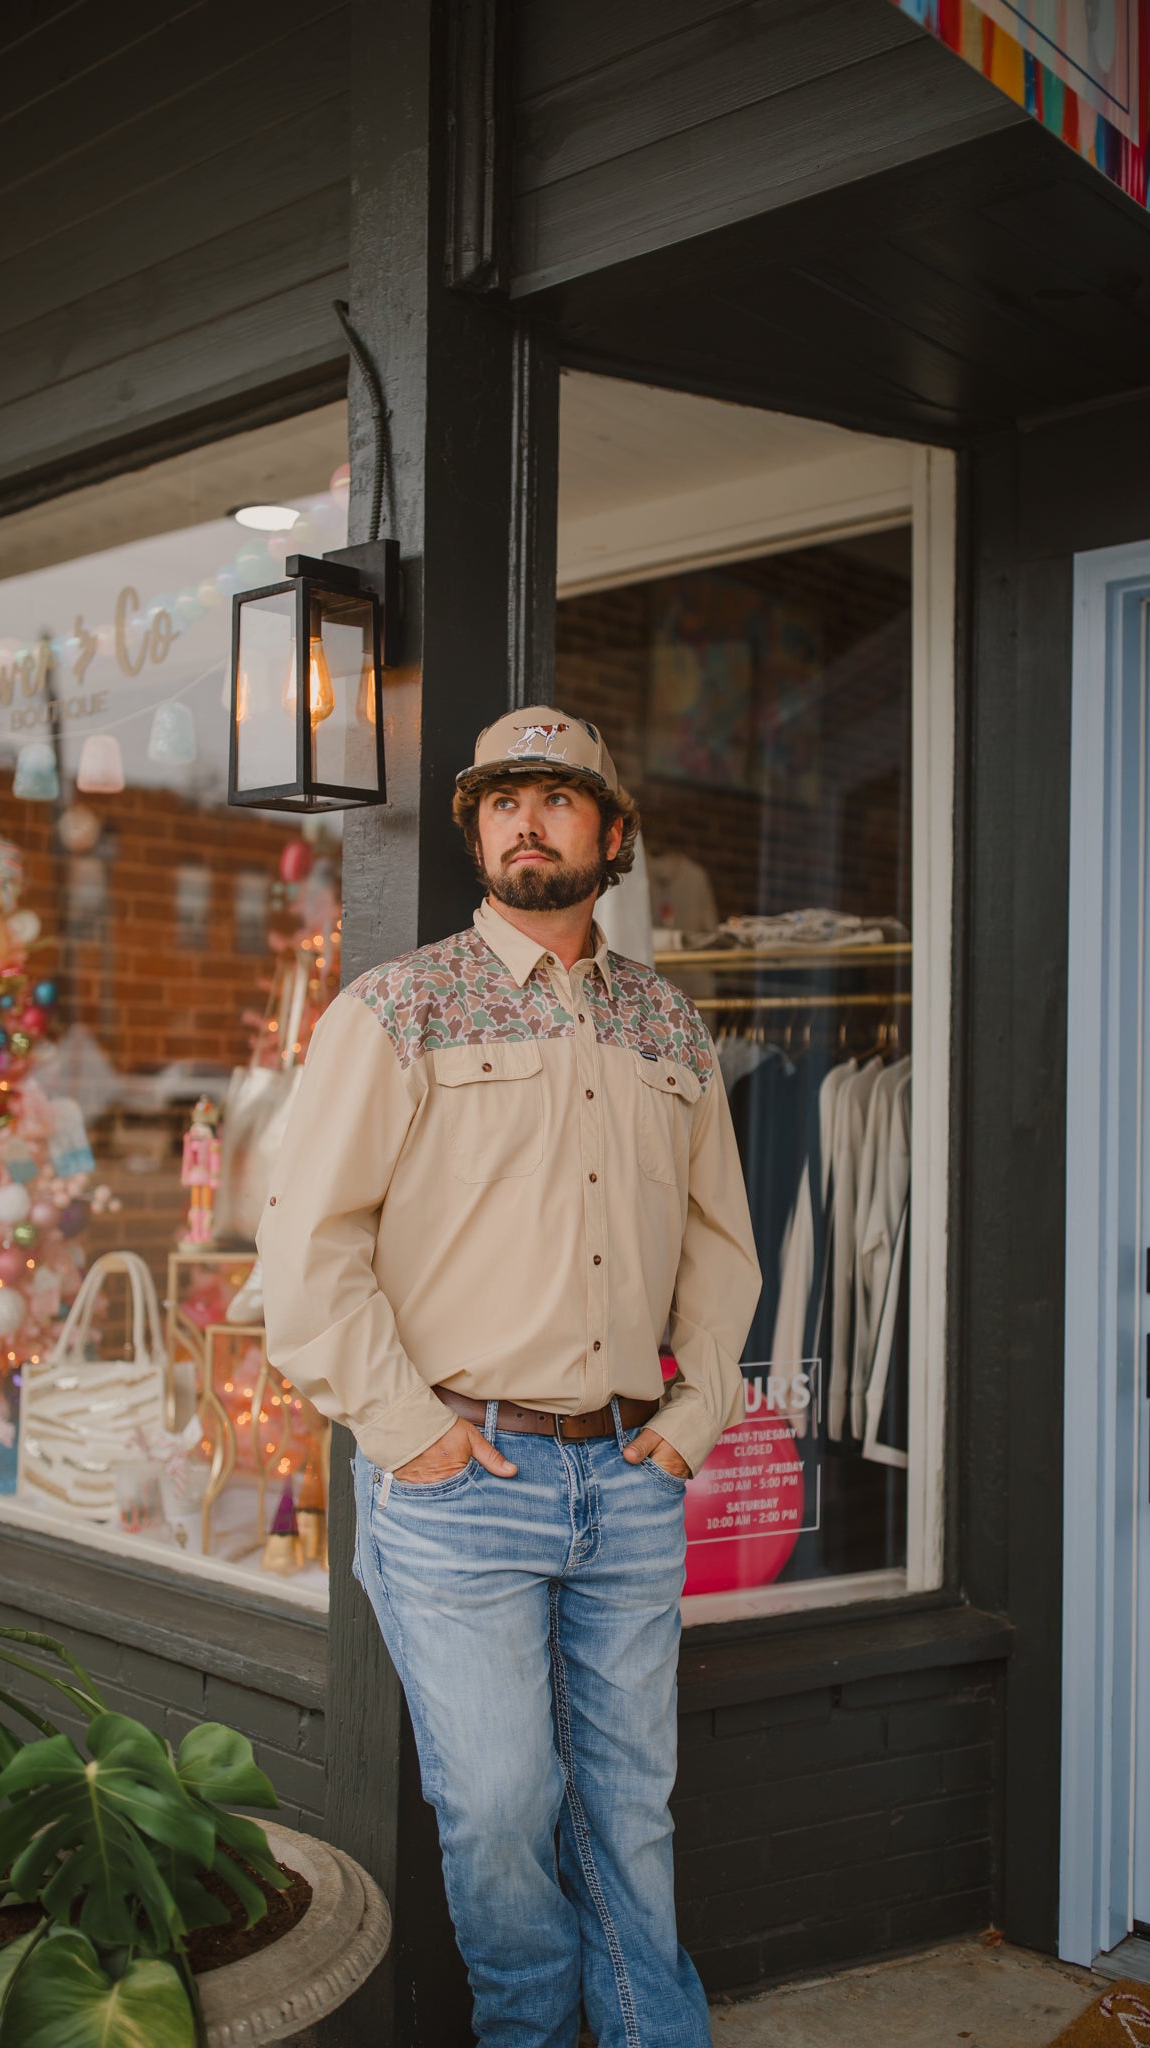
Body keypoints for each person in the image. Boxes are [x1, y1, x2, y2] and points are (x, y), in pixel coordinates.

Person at [259, 705, 760, 2047]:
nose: (525, 822)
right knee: (496, 1811)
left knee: (629, 1810)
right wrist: (404, 1431)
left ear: (611, 832)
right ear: (476, 833)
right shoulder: (398, 1008)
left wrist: (695, 1416)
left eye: (556, 797)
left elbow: (720, 1248)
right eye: (500, 801)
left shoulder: (668, 1024)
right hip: (461, 1482)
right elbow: (306, 1249)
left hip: (631, 1475)